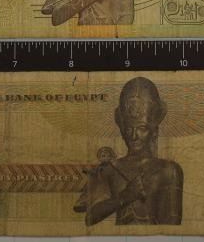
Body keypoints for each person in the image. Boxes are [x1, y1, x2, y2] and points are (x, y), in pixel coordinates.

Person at [75, 77, 183, 226]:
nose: (133, 136)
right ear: (122, 130)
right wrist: (125, 197)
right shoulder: (110, 169)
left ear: (153, 131)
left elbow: (172, 225)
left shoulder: (169, 170)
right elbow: (90, 217)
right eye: (128, 129)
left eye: (142, 128)